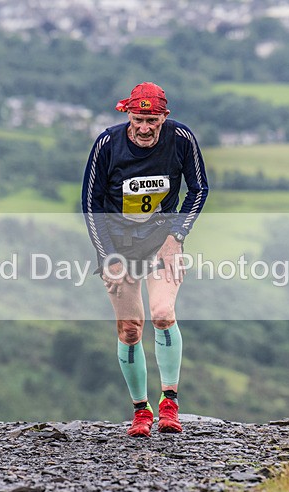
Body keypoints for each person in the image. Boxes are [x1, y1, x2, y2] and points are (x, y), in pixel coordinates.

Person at [81, 82, 209, 437]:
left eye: (152, 120)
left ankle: (169, 403)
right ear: (128, 115)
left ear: (164, 117)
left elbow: (199, 189)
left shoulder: (181, 139)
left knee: (163, 314)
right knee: (130, 328)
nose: (144, 128)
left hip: (161, 240)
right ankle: (141, 410)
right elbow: (91, 205)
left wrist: (176, 237)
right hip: (118, 244)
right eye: (138, 120)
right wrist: (109, 257)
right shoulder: (107, 144)